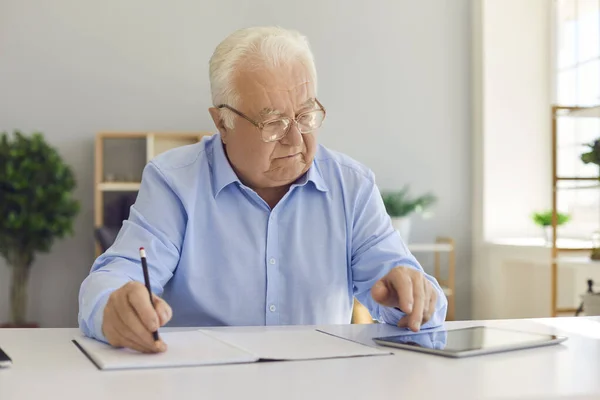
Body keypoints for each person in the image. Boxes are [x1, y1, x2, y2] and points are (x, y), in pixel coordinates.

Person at [78, 26, 448, 353]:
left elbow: (413, 295)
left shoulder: (351, 186)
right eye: (273, 122)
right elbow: (114, 276)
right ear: (222, 123)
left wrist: (411, 298)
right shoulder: (174, 181)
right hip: (202, 383)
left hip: (320, 383)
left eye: (306, 116)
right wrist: (115, 308)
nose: (294, 138)